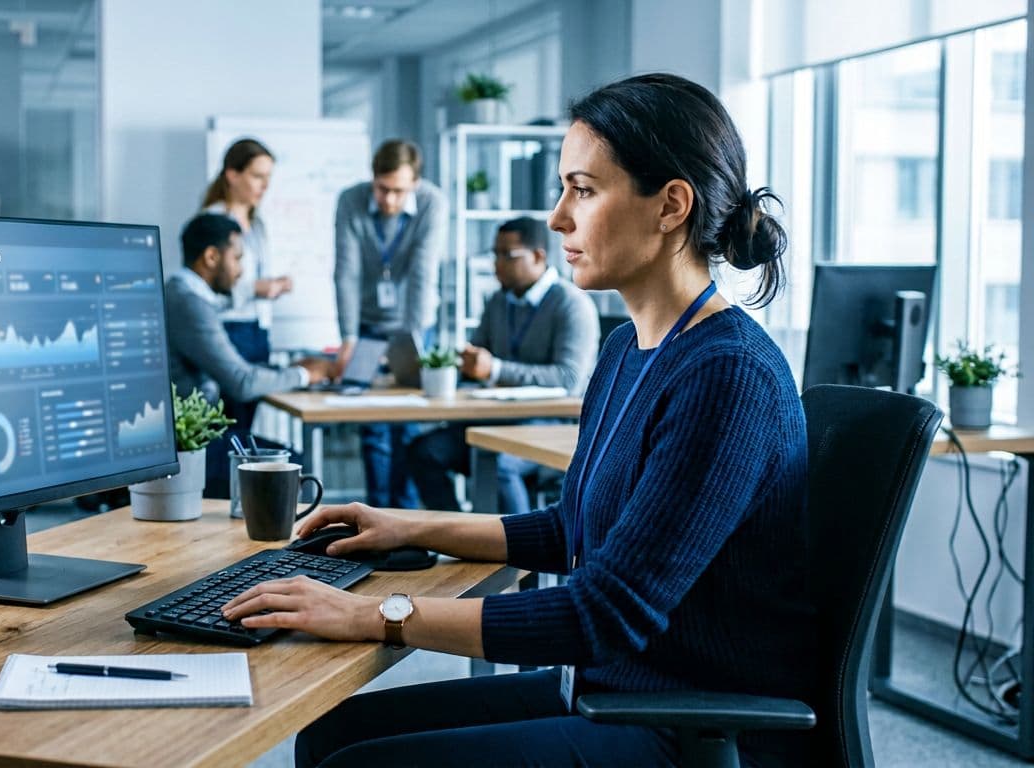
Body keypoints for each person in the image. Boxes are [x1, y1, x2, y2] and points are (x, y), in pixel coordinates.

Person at [222, 73, 815, 767]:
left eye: (583, 190)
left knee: (358, 765)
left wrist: (371, 616)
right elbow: (573, 527)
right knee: (333, 733)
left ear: (671, 205)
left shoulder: (726, 375)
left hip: (682, 721)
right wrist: (407, 524)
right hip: (606, 691)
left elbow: (600, 613)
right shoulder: (628, 347)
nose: (559, 217)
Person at [407, 216, 599, 516]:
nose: (496, 264)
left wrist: (494, 369)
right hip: (494, 420)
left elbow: (569, 378)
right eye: (494, 254)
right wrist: (454, 366)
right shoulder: (498, 301)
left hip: (549, 425)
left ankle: (522, 559)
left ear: (538, 257)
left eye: (506, 256)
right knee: (423, 450)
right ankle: (461, 535)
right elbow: (478, 359)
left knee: (498, 462)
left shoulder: (571, 304)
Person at [333, 139, 447, 509]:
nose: (389, 201)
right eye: (382, 189)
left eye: (399, 191)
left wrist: (410, 344)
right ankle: (376, 513)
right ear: (372, 179)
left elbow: (422, 274)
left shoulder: (432, 203)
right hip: (366, 322)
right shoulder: (351, 201)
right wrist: (348, 336)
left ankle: (407, 519)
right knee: (374, 426)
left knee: (408, 423)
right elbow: (346, 273)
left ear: (415, 183)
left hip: (413, 324)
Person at [166, 212, 332, 407]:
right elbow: (242, 383)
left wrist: (284, 370)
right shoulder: (189, 304)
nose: (241, 270)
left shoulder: (179, 291)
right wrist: (305, 375)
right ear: (211, 257)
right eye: (236, 258)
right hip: (196, 431)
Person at [201, 138, 293, 368]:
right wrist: (254, 288)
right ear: (233, 175)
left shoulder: (258, 223)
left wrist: (274, 284)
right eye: (257, 176)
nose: (265, 185)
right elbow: (203, 290)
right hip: (227, 328)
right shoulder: (212, 221)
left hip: (258, 328)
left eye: (268, 177)